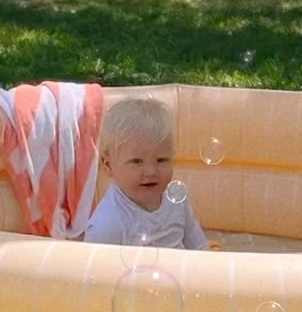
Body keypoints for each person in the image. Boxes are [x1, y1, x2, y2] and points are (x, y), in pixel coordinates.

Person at [83, 96, 210, 250]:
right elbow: (96, 269)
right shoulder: (107, 224)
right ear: (108, 166)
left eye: (161, 160)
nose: (151, 171)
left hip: (178, 271)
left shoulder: (177, 197)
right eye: (137, 161)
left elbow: (197, 244)